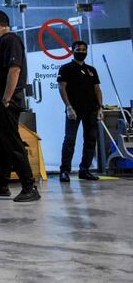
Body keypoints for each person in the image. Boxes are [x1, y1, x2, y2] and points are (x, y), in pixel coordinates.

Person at [0, 11, 40, 202]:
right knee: (0, 145)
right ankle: (1, 185)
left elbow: (14, 70)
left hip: (3, 105)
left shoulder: (10, 41)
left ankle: (29, 187)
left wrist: (6, 99)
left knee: (12, 144)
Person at [57, 40, 103, 182]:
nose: (81, 52)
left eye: (84, 49)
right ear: (72, 50)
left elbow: (97, 89)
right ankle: (64, 171)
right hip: (74, 111)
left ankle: (85, 170)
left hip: (91, 111)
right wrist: (69, 107)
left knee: (90, 141)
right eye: (79, 49)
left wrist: (101, 107)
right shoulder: (66, 68)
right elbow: (62, 88)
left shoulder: (91, 70)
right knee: (70, 140)